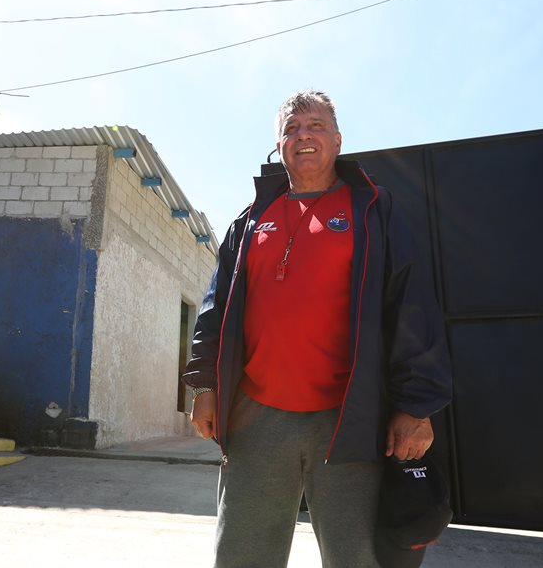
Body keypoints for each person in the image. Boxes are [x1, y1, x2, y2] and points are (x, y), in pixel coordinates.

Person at [183, 90, 453, 568]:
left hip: (350, 419)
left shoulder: (374, 210)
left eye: (314, 125)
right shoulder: (249, 222)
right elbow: (214, 308)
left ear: (337, 139)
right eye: (290, 129)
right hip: (255, 417)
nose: (302, 135)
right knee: (242, 555)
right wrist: (204, 384)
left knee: (358, 557)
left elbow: (411, 305)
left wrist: (416, 405)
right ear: (279, 146)